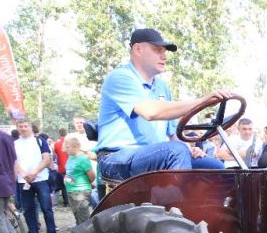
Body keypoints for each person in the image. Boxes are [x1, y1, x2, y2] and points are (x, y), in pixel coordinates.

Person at [95, 28, 228, 182]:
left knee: (214, 166)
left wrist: (190, 150)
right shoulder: (120, 77)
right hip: (115, 157)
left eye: (164, 51)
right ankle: (177, 205)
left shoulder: (162, 86)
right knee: (175, 152)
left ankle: (218, 206)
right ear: (138, 49)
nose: (164, 56)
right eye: (157, 50)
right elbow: (149, 112)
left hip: (153, 156)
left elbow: (172, 135)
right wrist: (202, 101)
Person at [14, 119, 57, 233]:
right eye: (20, 126)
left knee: (46, 207)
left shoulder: (40, 141)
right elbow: (13, 161)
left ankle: (51, 232)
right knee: (28, 209)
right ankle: (32, 232)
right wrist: (23, 174)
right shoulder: (15, 143)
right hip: (23, 181)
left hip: (41, 179)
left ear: (30, 127)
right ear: (17, 128)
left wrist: (34, 172)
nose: (23, 128)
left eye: (25, 126)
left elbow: (46, 159)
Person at [62, 135, 96, 225]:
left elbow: (92, 175)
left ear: (75, 147)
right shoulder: (70, 157)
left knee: (83, 215)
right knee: (76, 214)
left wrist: (86, 183)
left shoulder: (83, 159)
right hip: (71, 190)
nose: (65, 149)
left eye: (68, 147)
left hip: (81, 191)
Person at [52, 128, 70, 206]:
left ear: (59, 134)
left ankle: (64, 202)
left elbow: (54, 154)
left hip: (61, 168)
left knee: (63, 185)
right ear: (67, 133)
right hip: (70, 167)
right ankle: (68, 201)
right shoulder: (69, 143)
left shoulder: (56, 143)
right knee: (68, 185)